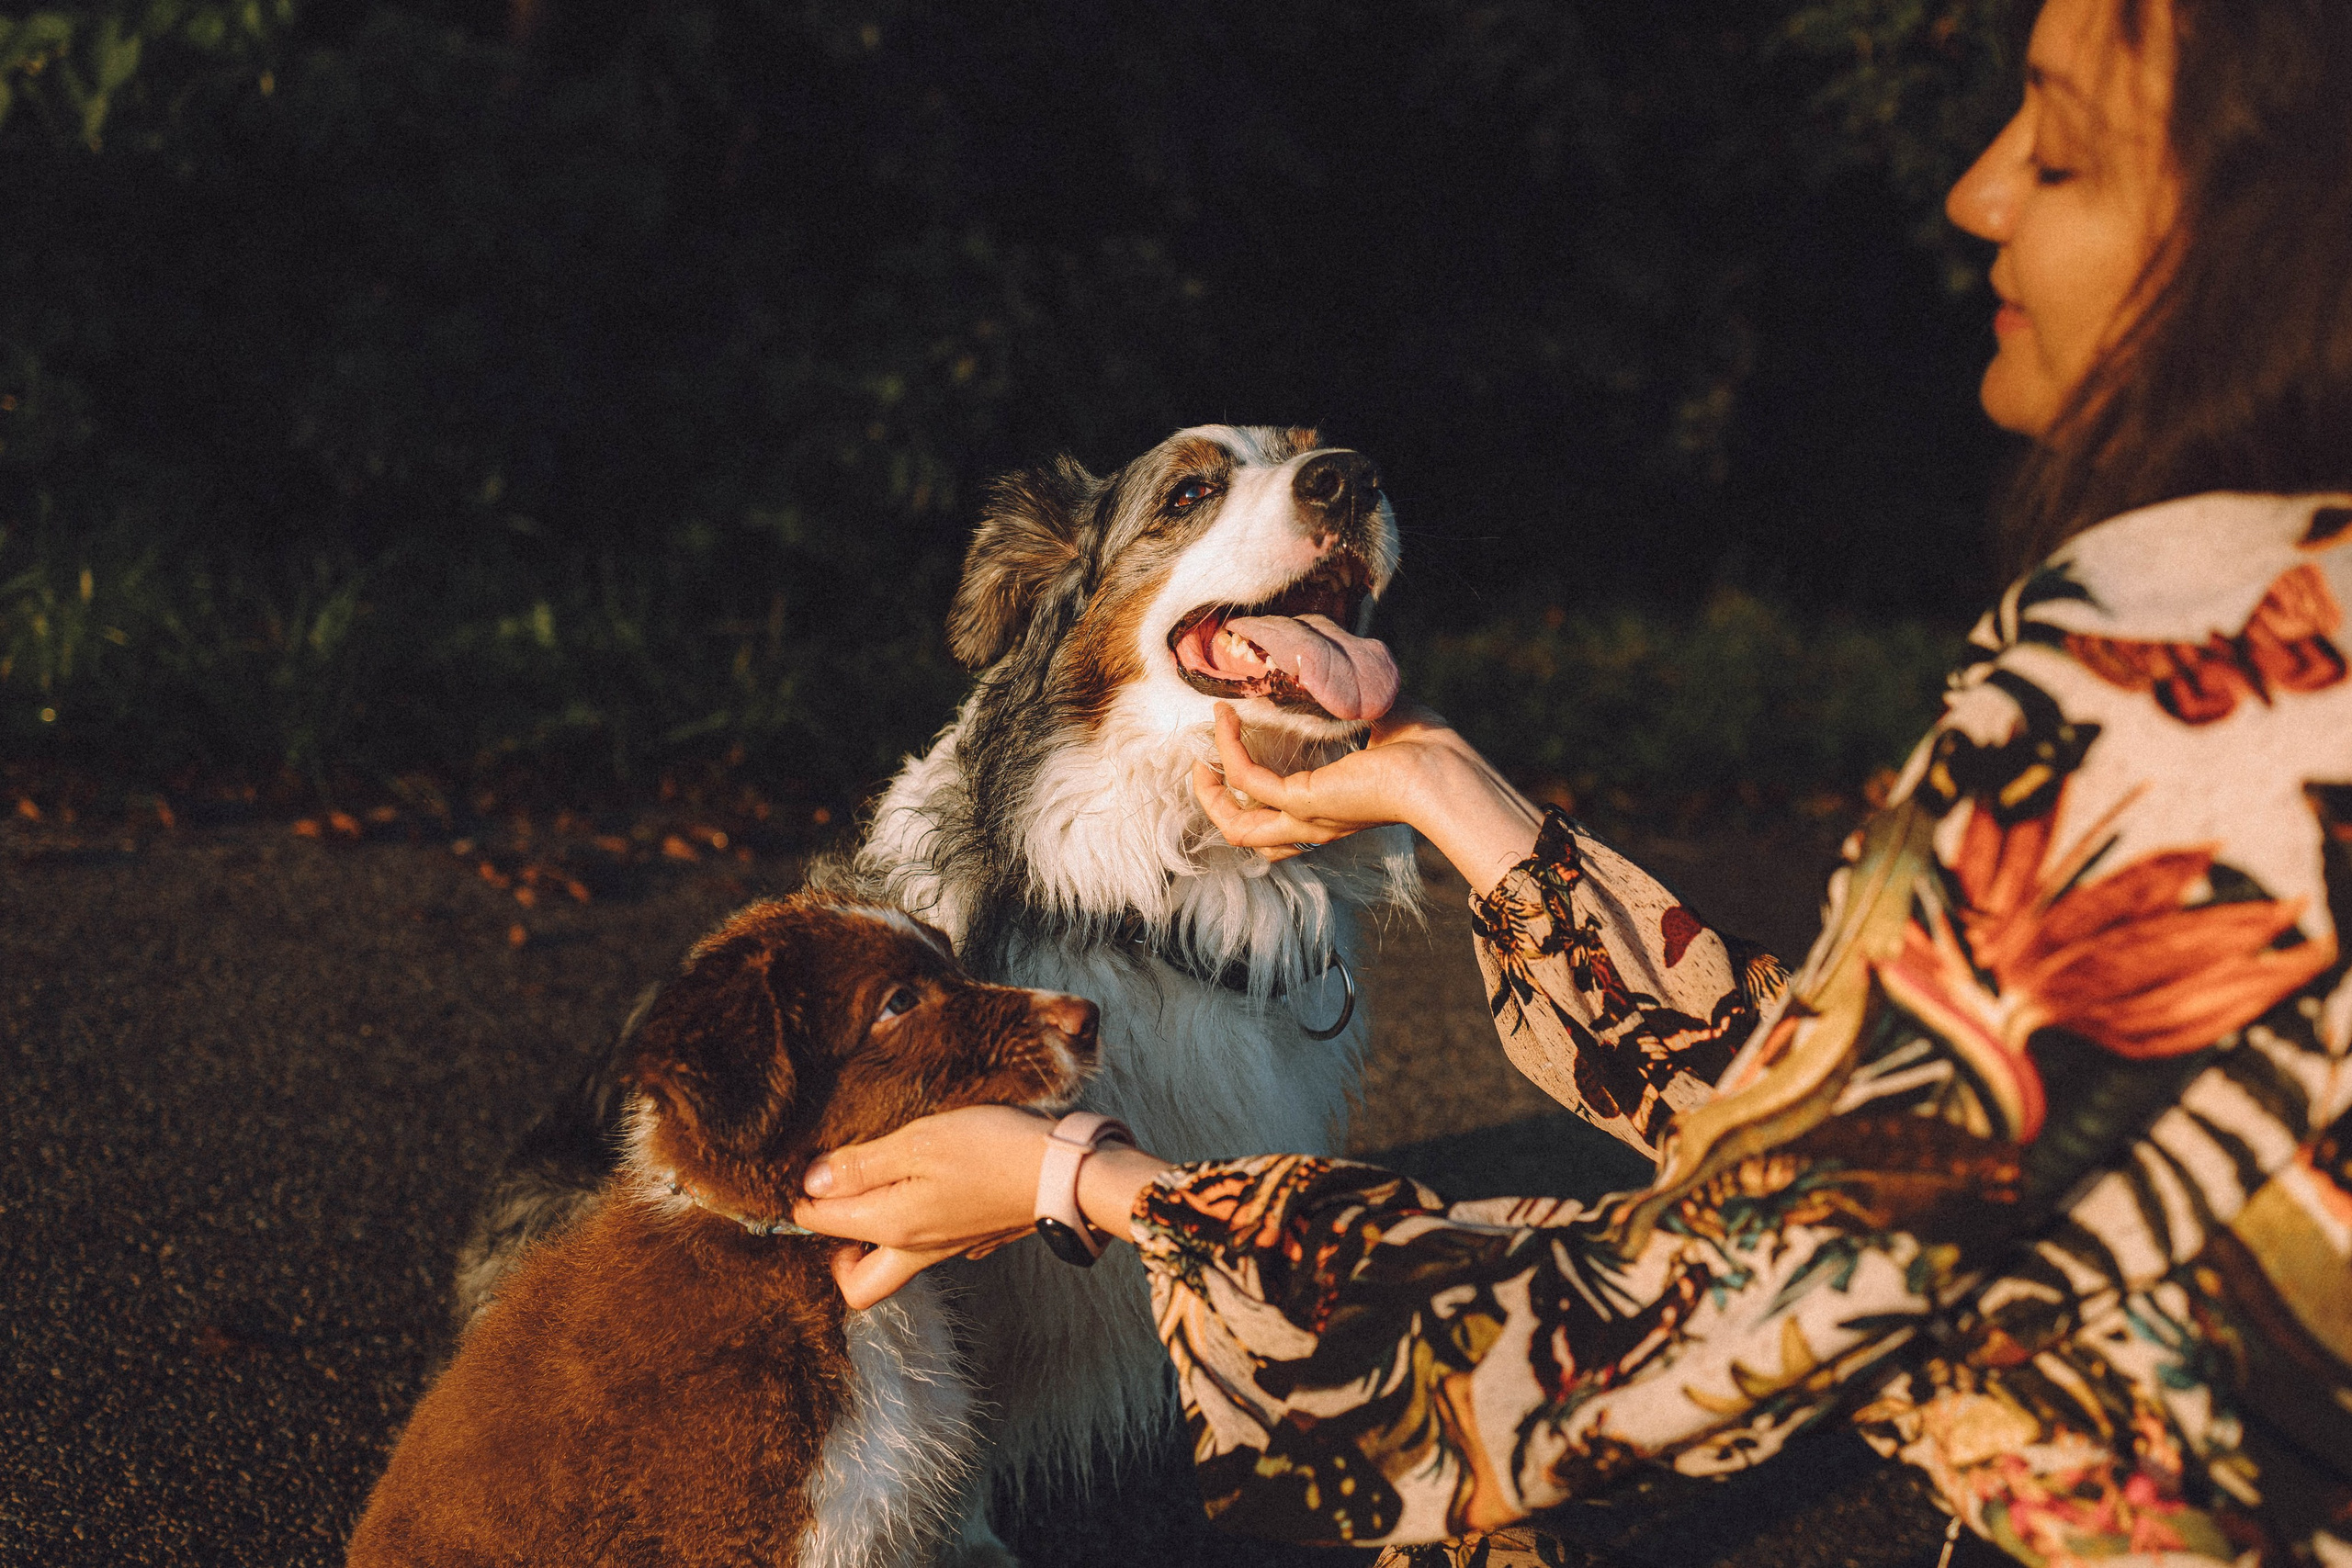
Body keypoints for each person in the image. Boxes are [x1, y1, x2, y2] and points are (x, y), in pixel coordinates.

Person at [793, 0, 2352, 1561]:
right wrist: (1446, 789)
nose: (1976, 192)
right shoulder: (2282, 632)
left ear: (2271, 229)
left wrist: (1088, 1182)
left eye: (2063, 151)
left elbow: (1699, 1312)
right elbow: (1839, 1120)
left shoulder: (2178, 688)